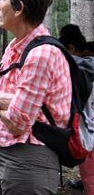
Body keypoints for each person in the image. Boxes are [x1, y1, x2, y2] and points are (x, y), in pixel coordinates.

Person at [0, 0, 72, 195]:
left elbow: (17, 122)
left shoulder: (42, 54)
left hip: (29, 156)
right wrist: (8, 102)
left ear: (18, 8)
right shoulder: (15, 47)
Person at [59, 24, 94, 195]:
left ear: (72, 48)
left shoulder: (83, 67)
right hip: (88, 126)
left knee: (90, 175)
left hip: (89, 128)